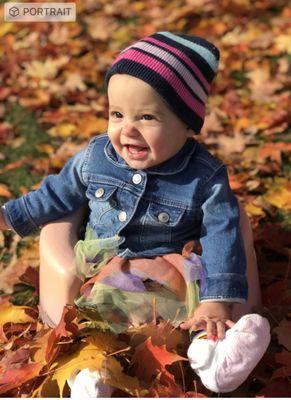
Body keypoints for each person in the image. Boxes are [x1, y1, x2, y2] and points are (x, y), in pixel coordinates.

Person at [0, 31, 270, 396]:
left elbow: (224, 232)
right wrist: (8, 215)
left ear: (187, 125)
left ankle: (214, 354)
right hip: (111, 266)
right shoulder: (94, 158)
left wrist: (217, 300)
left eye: (146, 117)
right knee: (97, 310)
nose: (127, 129)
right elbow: (54, 196)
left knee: (200, 304)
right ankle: (94, 370)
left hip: (177, 266)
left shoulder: (205, 177)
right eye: (116, 113)